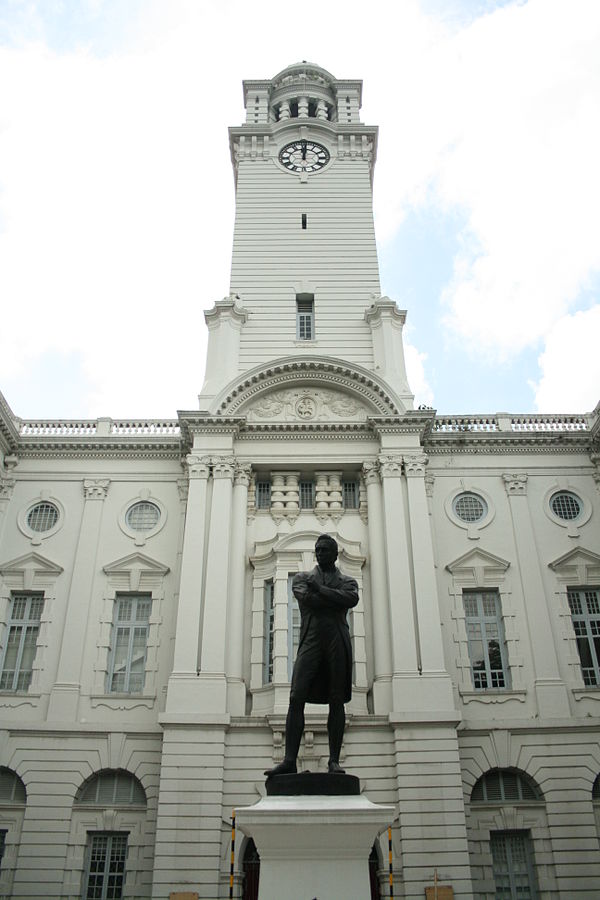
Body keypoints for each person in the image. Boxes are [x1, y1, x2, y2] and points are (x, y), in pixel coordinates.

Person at [265, 534, 359, 777]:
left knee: (337, 700)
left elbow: (351, 598)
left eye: (325, 550)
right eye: (317, 549)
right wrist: (331, 597)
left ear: (335, 554)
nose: (319, 553)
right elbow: (308, 599)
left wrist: (321, 591)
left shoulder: (348, 581)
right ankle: (289, 760)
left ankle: (334, 761)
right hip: (312, 640)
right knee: (296, 696)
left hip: (337, 642)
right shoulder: (302, 578)